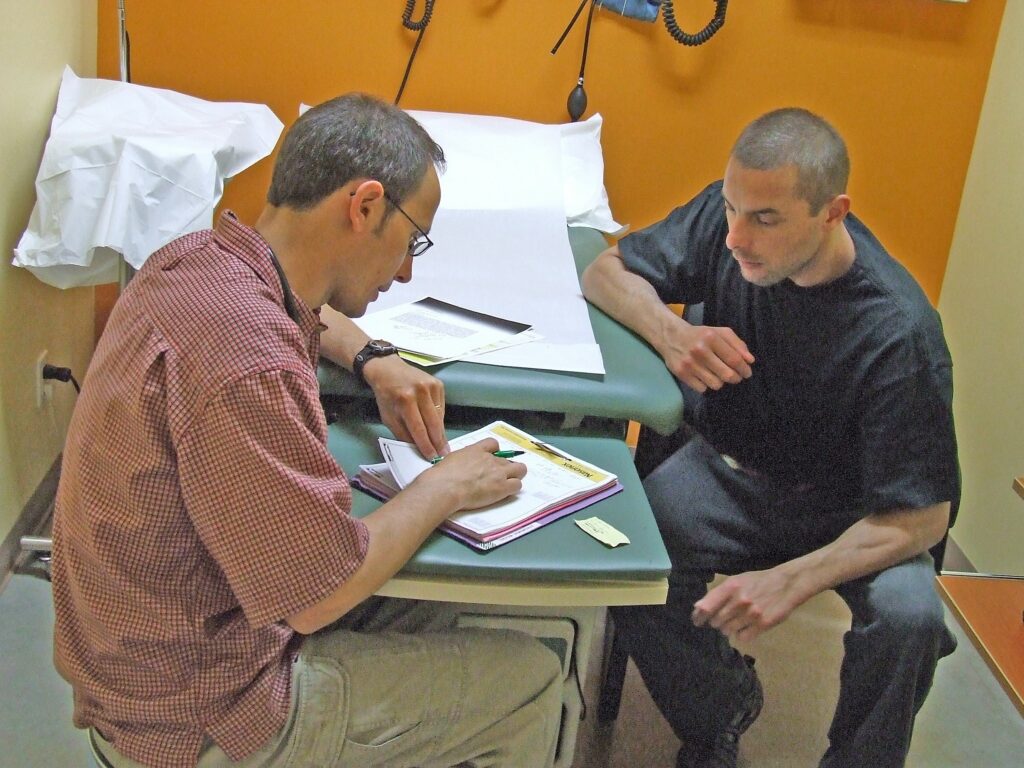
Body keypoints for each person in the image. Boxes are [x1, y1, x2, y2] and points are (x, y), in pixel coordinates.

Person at [51, 93, 563, 768]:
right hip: (201, 715)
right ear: (366, 206)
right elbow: (319, 597)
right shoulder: (249, 363)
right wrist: (444, 486)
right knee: (530, 677)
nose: (407, 270)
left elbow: (300, 311)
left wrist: (373, 358)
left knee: (435, 611)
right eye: (412, 241)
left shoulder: (194, 262)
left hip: (134, 658)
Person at [581, 108, 959, 768]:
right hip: (729, 473)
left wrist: (791, 580)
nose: (735, 237)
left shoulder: (899, 333)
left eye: (765, 219)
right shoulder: (729, 222)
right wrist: (674, 336)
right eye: (731, 207)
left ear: (833, 212)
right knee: (626, 556)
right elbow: (604, 274)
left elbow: (924, 516)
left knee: (910, 617)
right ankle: (720, 707)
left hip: (856, 513)